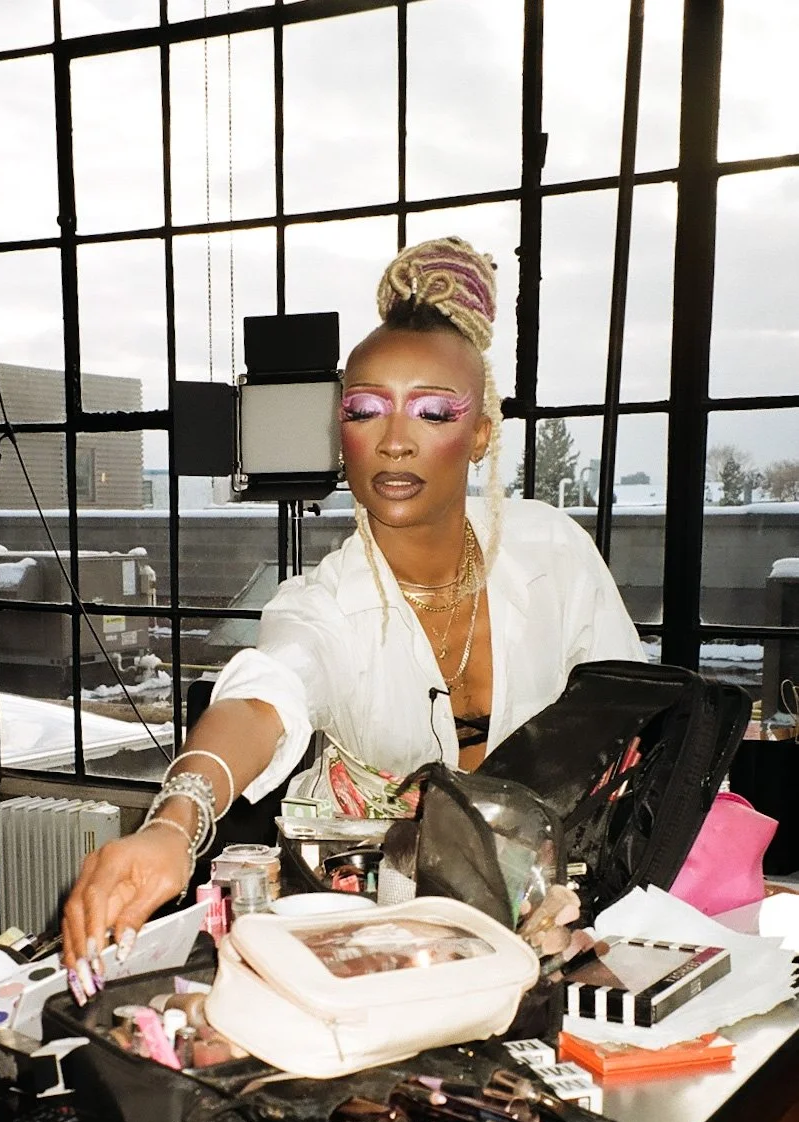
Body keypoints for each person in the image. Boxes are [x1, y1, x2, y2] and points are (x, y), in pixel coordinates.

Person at [61, 237, 644, 1002]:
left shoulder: (552, 553)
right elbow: (263, 695)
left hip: (565, 923)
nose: (395, 439)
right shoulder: (325, 603)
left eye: (433, 410)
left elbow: (632, 711)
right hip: (382, 945)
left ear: (479, 434)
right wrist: (176, 820)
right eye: (365, 409)